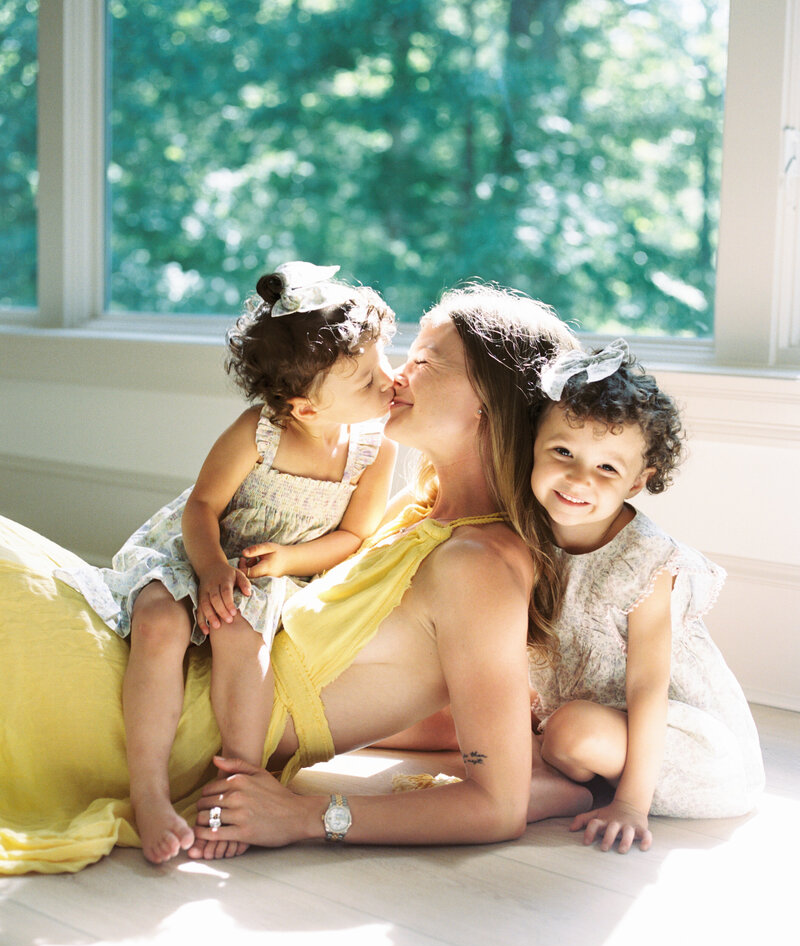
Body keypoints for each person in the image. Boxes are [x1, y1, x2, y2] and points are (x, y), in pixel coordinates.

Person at [0, 282, 586, 875]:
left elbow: (498, 804)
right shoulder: (421, 509)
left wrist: (306, 815)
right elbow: (369, 691)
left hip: (170, 726)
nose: (396, 374)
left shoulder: (479, 565)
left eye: (424, 360)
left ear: (489, 401)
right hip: (160, 662)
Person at [56, 261, 398, 863]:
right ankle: (150, 791)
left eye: (384, 365)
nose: (390, 384)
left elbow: (354, 535)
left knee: (243, 639)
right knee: (160, 622)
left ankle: (237, 786)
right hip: (205, 549)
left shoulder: (376, 447)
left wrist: (289, 559)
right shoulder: (259, 432)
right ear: (306, 408)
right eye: (368, 380)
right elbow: (202, 506)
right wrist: (212, 568)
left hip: (271, 571)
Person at [527, 340, 765, 854]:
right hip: (601, 721)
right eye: (563, 451)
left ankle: (595, 786)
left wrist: (631, 806)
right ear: (534, 445)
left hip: (681, 744)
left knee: (569, 735)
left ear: (638, 482)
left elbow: (648, 688)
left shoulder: (648, 561)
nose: (578, 478)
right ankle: (568, 776)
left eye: (607, 469)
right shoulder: (524, 534)